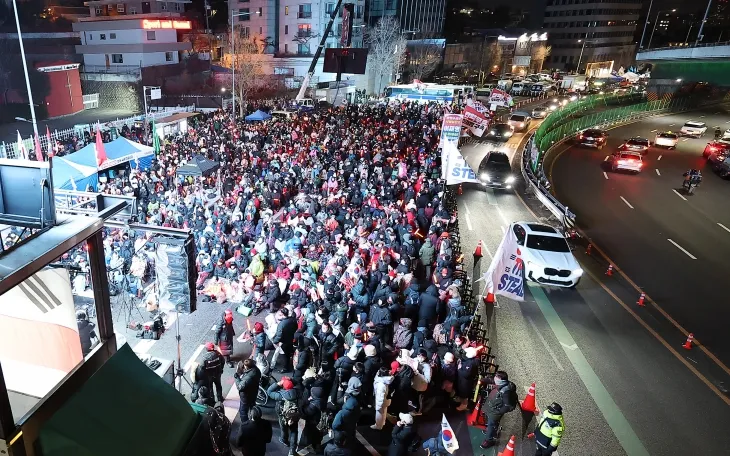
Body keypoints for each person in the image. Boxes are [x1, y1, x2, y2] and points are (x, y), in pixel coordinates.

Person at [480, 370, 518, 449]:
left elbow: (508, 406)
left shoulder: (506, 392)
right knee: (491, 423)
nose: (494, 379)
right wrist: (482, 380)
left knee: (491, 424)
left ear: (501, 380)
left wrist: (498, 411)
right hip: (492, 407)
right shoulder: (501, 384)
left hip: (496, 410)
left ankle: (489, 440)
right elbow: (491, 380)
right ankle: (492, 433)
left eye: (497, 377)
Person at [267, 377, 301, 455]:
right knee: (294, 431)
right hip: (294, 416)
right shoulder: (298, 392)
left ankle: (284, 440)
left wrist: (277, 384)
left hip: (283, 416)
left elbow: (269, 391)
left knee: (283, 427)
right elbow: (299, 383)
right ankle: (292, 451)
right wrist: (291, 379)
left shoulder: (280, 395)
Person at [332, 377, 362, 443]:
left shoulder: (343, 411)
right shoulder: (358, 397)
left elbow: (335, 425)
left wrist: (340, 391)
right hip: (352, 425)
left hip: (343, 431)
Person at [234, 359, 261, 423]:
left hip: (246, 395)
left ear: (246, 367)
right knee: (252, 405)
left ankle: (245, 423)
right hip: (254, 391)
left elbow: (240, 387)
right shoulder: (256, 370)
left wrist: (237, 378)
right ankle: (254, 418)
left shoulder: (248, 378)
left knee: (243, 410)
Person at [272, 307, 297, 373]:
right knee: (289, 350)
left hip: (284, 342)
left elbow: (279, 335)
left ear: (283, 314)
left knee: (285, 356)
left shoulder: (281, 324)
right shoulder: (292, 319)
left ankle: (286, 368)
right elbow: (296, 327)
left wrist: (275, 341)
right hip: (290, 338)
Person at [455, 346, 479, 411]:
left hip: (465, 382)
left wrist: (459, 369)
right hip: (463, 380)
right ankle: (461, 400)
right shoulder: (471, 360)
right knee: (462, 392)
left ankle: (464, 405)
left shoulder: (470, 364)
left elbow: (466, 374)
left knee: (464, 393)